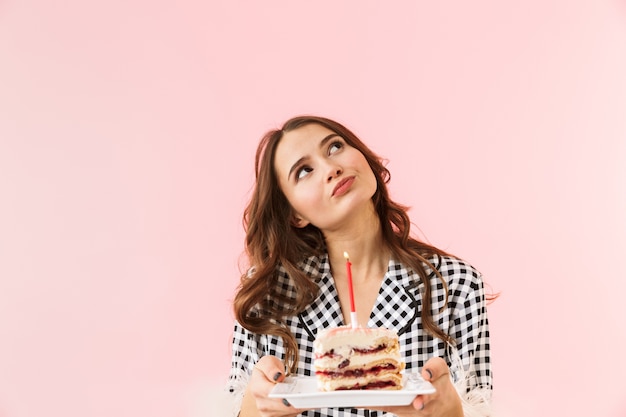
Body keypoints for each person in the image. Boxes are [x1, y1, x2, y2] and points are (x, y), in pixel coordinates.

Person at [227, 115, 495, 417]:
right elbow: (241, 405)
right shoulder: (267, 294)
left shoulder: (456, 284)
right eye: (304, 171)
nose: (331, 168)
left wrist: (451, 413)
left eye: (335, 147)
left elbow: (479, 406)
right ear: (294, 214)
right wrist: (255, 406)